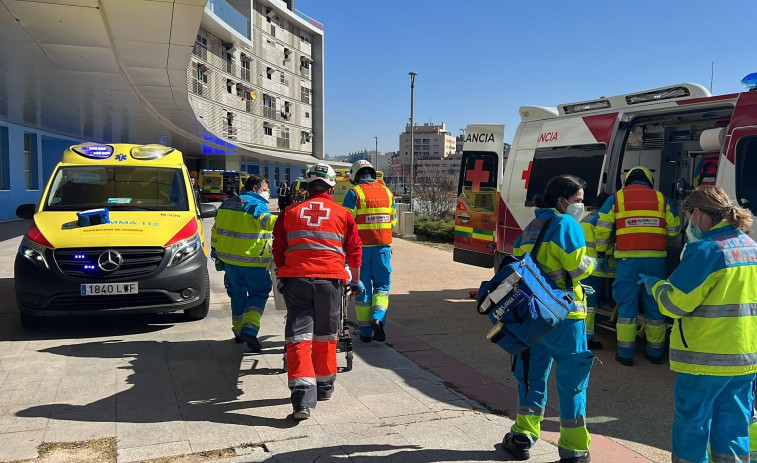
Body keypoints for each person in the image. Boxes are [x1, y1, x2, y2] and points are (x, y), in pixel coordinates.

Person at [640, 185, 757, 463]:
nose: (689, 224)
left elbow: (675, 304)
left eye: (689, 216)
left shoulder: (705, 250)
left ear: (698, 214)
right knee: (734, 429)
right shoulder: (751, 247)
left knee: (692, 427)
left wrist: (655, 286)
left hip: (705, 359)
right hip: (745, 357)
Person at [502, 175, 596, 463]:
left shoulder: (532, 226)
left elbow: (519, 259)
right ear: (562, 200)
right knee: (572, 382)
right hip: (566, 316)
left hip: (533, 317)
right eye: (579, 200)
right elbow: (576, 267)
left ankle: (523, 436)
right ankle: (574, 448)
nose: (582, 206)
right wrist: (592, 263)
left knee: (530, 377)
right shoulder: (567, 224)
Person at [272, 163, 364, 421]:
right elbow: (355, 250)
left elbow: (278, 248)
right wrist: (354, 280)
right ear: (332, 186)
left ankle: (301, 399)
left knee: (299, 337)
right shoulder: (343, 214)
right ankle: (324, 387)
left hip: (297, 281)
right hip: (329, 283)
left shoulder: (289, 212)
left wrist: (282, 273)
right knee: (325, 335)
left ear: (308, 185)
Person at [595, 166, 680, 366]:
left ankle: (625, 354)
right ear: (649, 180)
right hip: (656, 262)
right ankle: (655, 352)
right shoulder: (662, 199)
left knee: (627, 306)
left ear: (628, 180)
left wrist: (601, 252)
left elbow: (602, 228)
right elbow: (675, 230)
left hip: (627, 261)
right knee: (655, 306)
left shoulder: (616, 199)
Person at [210, 175, 275, 351]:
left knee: (237, 294)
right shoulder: (255, 204)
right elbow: (268, 223)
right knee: (259, 292)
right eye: (265, 189)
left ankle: (238, 332)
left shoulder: (227, 203)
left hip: (229, 261)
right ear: (255, 188)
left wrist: (215, 251)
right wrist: (288, 218)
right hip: (252, 260)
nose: (266, 192)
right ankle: (250, 329)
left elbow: (215, 230)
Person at [342, 159, 397, 343]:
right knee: (382, 287)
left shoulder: (354, 193)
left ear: (355, 175)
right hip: (383, 248)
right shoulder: (388, 193)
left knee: (362, 289)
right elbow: (393, 220)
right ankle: (378, 319)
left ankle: (365, 333)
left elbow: (346, 224)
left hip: (360, 250)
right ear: (372, 174)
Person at [579, 192, 614, 350]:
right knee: (590, 305)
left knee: (584, 303)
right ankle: (588, 338)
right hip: (596, 267)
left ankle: (582, 335)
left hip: (583, 266)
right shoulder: (604, 219)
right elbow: (605, 243)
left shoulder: (587, 217)